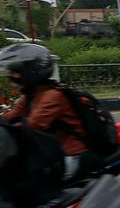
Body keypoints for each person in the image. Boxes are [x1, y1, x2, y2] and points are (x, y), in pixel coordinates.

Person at [0, 43, 96, 181]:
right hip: (52, 152)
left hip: (72, 155)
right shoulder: (31, 94)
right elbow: (13, 114)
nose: (11, 76)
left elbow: (33, 126)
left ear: (30, 72)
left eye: (15, 71)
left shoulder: (52, 95)